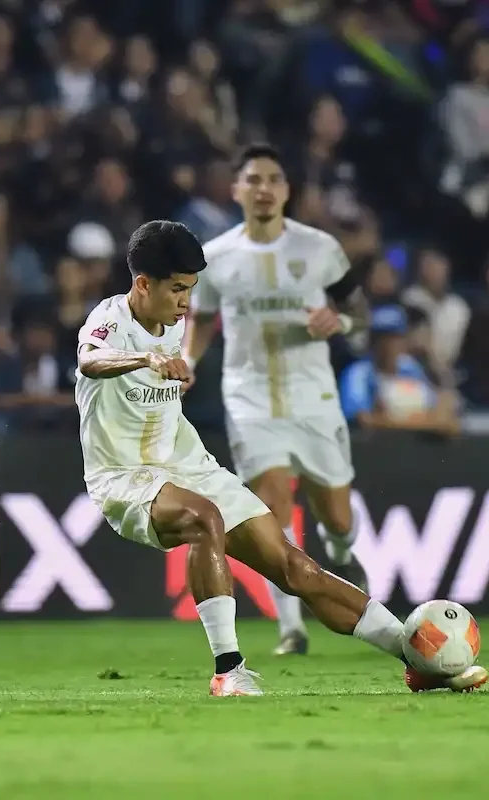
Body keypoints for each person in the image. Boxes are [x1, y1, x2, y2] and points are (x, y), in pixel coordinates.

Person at [75, 219, 486, 697]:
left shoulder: (174, 319)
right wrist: (143, 360)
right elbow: (90, 359)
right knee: (203, 519)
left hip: (187, 463)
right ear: (143, 284)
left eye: (191, 289)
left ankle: (416, 657)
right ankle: (228, 671)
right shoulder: (108, 320)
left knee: (298, 569)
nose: (186, 302)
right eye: (178, 290)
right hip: (123, 476)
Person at [183, 143, 368, 657]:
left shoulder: (319, 248)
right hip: (249, 398)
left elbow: (359, 310)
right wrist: (188, 364)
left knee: (337, 515)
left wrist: (343, 321)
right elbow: (200, 320)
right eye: (253, 179)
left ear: (286, 191)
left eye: (273, 179)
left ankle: (341, 551)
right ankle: (292, 628)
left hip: (314, 396)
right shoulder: (215, 257)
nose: (263, 188)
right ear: (236, 189)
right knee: (270, 504)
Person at [339, 304, 460, 436]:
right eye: (383, 338)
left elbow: (438, 407)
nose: (390, 344)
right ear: (372, 341)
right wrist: (423, 424)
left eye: (396, 337)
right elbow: (363, 420)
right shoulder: (358, 373)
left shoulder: (410, 368)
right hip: (376, 448)